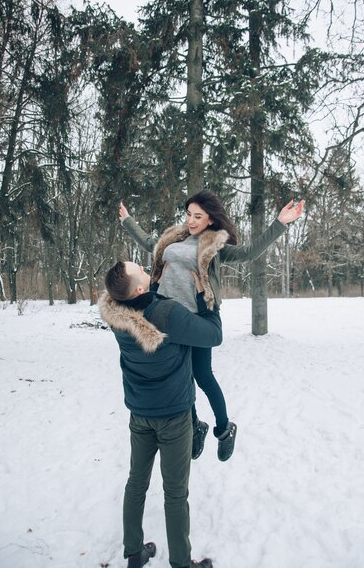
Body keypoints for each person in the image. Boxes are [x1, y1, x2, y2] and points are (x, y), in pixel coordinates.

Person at [119, 191, 305, 463]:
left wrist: (280, 222)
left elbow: (249, 252)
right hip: (167, 314)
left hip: (196, 316)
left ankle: (224, 428)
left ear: (209, 219)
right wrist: (128, 221)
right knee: (181, 376)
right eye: (188, 215)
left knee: (203, 376)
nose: (191, 221)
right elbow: (150, 243)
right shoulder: (175, 238)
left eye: (198, 216)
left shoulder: (214, 245)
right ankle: (195, 426)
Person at [99, 259, 222, 568]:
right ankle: (181, 563)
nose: (141, 264)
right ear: (139, 287)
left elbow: (142, 309)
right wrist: (204, 299)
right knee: (175, 493)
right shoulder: (169, 314)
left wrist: (151, 286)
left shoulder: (116, 315)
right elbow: (213, 335)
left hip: (139, 415)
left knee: (136, 484)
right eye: (137, 267)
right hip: (174, 418)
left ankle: (134, 553)